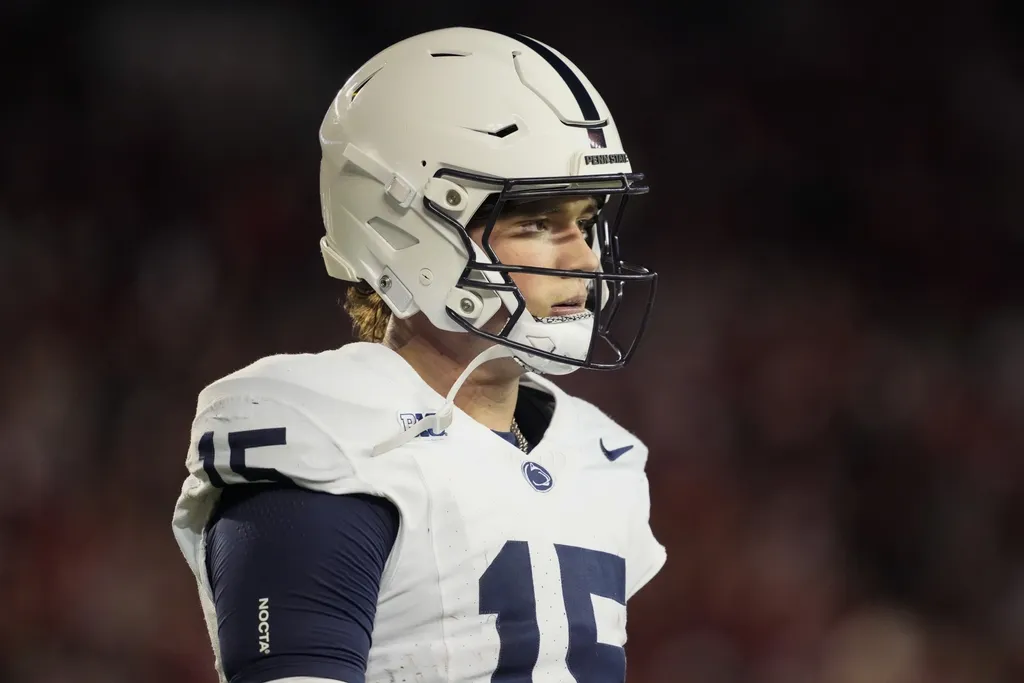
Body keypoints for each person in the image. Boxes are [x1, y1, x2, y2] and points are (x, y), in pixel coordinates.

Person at [172, 26, 665, 683]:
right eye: (535, 222)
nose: (582, 259)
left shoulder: (599, 458)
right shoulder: (334, 434)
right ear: (403, 229)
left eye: (587, 220)